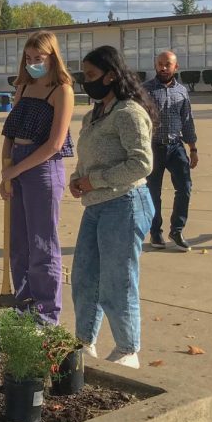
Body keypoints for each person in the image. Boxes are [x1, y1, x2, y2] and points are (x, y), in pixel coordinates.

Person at [69, 45, 156, 369]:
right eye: (84, 75)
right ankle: (84, 343)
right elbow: (88, 157)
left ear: (111, 75)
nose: (86, 82)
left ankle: (126, 349)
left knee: (117, 282)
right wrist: (79, 178)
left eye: (91, 76)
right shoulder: (93, 114)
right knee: (84, 278)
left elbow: (142, 163)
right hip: (95, 207)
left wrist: (97, 180)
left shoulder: (129, 112)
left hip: (125, 205)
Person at [0, 31, 74, 324]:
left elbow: (55, 144)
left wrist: (15, 171)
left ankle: (46, 313)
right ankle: (24, 304)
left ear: (52, 57)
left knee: (42, 244)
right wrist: (6, 171)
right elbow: (10, 132)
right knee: (19, 244)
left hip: (43, 169)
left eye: (38, 58)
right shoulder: (24, 88)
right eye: (28, 58)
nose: (32, 64)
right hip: (16, 165)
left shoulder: (62, 91)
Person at [143, 51, 198, 251]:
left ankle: (177, 230)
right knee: (152, 192)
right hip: (152, 148)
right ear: (155, 66)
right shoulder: (144, 90)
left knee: (184, 188)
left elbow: (187, 121)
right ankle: (155, 232)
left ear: (176, 67)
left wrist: (193, 148)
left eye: (168, 64)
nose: (163, 68)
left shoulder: (182, 91)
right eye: (160, 64)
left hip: (176, 147)